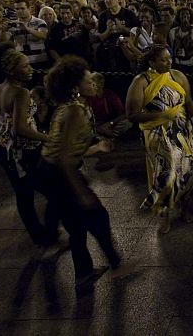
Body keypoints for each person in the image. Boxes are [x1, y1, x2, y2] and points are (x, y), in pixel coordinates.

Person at [40, 55, 133, 290]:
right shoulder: (74, 112)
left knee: (76, 226)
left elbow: (67, 148)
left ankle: (83, 272)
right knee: (97, 217)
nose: (94, 83)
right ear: (75, 88)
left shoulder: (70, 108)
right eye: (88, 80)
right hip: (60, 173)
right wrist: (81, 191)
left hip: (52, 170)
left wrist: (95, 147)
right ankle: (116, 265)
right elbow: (63, 158)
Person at [126, 45, 193, 234]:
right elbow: (132, 115)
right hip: (157, 135)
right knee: (166, 175)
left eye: (169, 58)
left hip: (182, 132)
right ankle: (164, 215)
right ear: (151, 62)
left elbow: (188, 102)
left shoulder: (178, 76)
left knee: (189, 170)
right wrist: (161, 116)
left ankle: (185, 206)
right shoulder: (141, 82)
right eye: (163, 60)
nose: (169, 62)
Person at [0, 43, 56, 247]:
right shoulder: (20, 93)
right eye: (25, 66)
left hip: (4, 151)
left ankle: (39, 237)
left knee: (23, 195)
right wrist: (48, 138)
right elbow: (21, 129)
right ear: (11, 70)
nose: (30, 69)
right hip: (25, 152)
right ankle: (50, 235)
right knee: (54, 192)